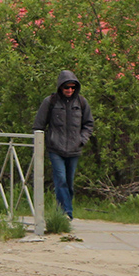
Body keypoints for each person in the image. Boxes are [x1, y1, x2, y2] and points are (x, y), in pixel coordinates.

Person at [33, 70, 94, 219]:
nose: (70, 90)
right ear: (60, 87)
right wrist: (39, 145)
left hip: (74, 149)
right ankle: (66, 213)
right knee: (60, 179)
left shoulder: (81, 102)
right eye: (67, 87)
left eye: (73, 87)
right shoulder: (50, 102)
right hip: (55, 149)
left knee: (69, 183)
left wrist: (82, 140)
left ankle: (64, 210)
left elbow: (88, 124)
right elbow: (38, 126)